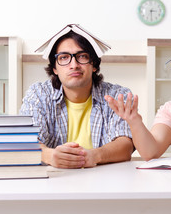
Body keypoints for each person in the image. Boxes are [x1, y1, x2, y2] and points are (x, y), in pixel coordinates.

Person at [20, 26, 133, 168]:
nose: (74, 65)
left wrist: (94, 156)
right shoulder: (38, 94)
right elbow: (27, 141)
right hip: (53, 181)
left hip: (103, 180)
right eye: (64, 58)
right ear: (55, 68)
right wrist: (50, 155)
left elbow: (125, 145)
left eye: (82, 56)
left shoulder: (117, 95)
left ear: (94, 65)